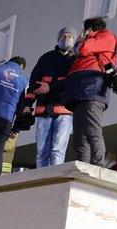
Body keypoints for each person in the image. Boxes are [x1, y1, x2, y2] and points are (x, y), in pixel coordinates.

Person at [63, 17, 117, 167]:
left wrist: (83, 39)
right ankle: (83, 167)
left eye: (84, 30)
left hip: (92, 89)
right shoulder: (96, 40)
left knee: (92, 130)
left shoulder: (105, 36)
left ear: (90, 29)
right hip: (80, 91)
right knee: (80, 135)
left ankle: (98, 166)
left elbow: (83, 49)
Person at [26, 27, 77, 168]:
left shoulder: (75, 60)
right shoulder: (46, 58)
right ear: (57, 38)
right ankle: (41, 182)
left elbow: (74, 82)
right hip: (44, 111)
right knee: (42, 151)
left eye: (69, 36)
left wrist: (50, 86)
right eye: (63, 35)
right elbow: (33, 83)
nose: (65, 38)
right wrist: (26, 105)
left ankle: (54, 181)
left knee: (57, 151)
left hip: (64, 111)